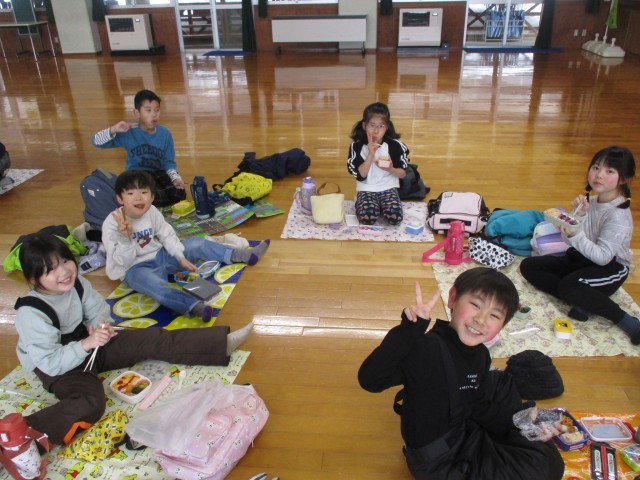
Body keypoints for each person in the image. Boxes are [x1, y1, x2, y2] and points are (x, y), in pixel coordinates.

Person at [11, 233, 254, 446]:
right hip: (59, 366)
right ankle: (20, 437)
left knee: (151, 339)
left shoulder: (77, 283)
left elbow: (96, 308)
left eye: (65, 261)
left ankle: (220, 344)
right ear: (33, 280)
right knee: (90, 402)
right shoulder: (30, 313)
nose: (64, 271)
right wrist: (87, 344)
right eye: (51, 270)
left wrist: (100, 327)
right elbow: (50, 362)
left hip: (90, 341)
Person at [358, 268, 565, 480]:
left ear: (502, 325)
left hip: (465, 427)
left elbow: (478, 403)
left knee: (501, 381)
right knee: (547, 467)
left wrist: (520, 419)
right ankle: (513, 435)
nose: (481, 320)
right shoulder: (426, 349)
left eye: (494, 315)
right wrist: (408, 331)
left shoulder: (480, 354)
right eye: (475, 305)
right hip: (440, 459)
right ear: (453, 298)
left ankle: (518, 427)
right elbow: (370, 380)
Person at [102, 170, 270, 322]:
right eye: (130, 193)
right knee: (155, 285)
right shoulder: (112, 223)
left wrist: (180, 257)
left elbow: (167, 234)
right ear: (120, 198)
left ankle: (243, 255)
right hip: (134, 268)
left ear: (152, 197)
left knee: (197, 243)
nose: (138, 198)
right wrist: (125, 238)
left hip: (160, 255)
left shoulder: (152, 211)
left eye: (144, 192)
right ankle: (193, 306)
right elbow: (122, 262)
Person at [520, 145, 639, 345]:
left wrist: (577, 232)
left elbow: (603, 258)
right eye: (596, 167)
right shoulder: (591, 202)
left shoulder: (618, 215)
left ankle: (629, 322)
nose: (599, 175)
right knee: (530, 266)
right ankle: (584, 300)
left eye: (609, 171)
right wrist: (577, 219)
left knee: (569, 285)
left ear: (624, 178)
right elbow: (570, 241)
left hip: (611, 267)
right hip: (583, 257)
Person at [91, 89, 186, 207]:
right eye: (148, 110)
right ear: (137, 113)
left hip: (158, 172)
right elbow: (96, 142)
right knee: (158, 198)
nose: (154, 114)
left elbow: (169, 162)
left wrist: (175, 178)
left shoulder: (165, 133)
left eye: (157, 110)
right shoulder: (128, 132)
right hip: (137, 174)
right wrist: (113, 130)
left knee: (179, 194)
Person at [347, 102, 409, 226]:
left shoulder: (395, 145)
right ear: (364, 125)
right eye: (372, 125)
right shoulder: (357, 145)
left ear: (387, 127)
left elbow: (402, 174)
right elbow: (360, 176)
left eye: (381, 126)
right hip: (366, 188)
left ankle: (380, 205)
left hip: (388, 187)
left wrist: (390, 169)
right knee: (367, 218)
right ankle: (367, 203)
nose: (376, 131)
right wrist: (370, 154)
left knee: (395, 218)